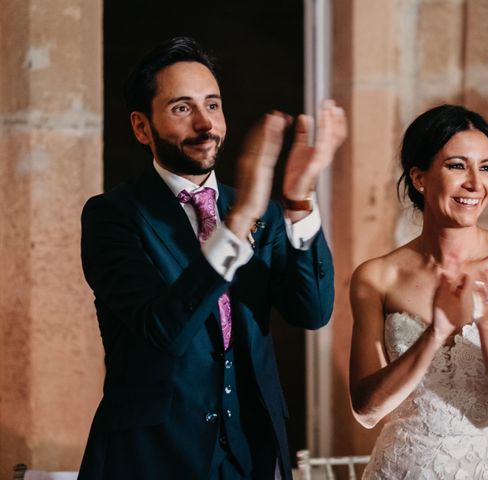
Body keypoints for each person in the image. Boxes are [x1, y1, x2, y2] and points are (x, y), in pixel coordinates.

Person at [78, 36, 346, 480]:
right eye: (182, 108)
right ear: (142, 127)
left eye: (213, 105)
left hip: (252, 450)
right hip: (151, 455)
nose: (206, 124)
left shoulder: (262, 210)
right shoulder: (112, 216)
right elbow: (162, 330)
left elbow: (312, 311)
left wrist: (298, 203)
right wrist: (237, 224)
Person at [349, 105, 488, 478]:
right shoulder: (377, 277)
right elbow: (366, 411)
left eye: (487, 167)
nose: (476, 183)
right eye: (457, 166)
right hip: (404, 469)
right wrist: (436, 332)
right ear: (419, 178)